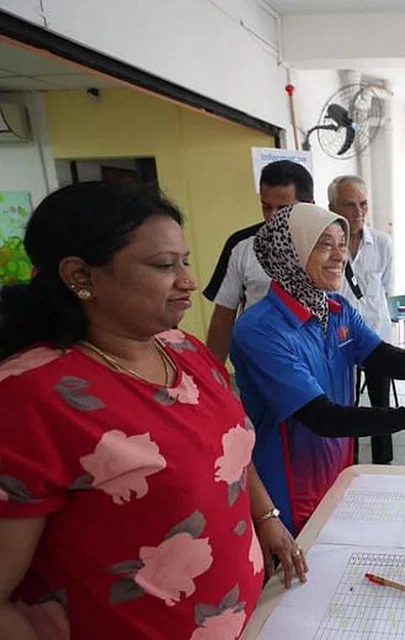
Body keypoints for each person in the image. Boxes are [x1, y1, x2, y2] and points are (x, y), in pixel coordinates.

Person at [0, 182, 305, 639]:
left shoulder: (183, 350)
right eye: (164, 266)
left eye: (185, 261)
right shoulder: (30, 396)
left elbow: (230, 446)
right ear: (81, 277)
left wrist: (266, 518)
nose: (188, 281)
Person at [231, 203, 405, 534]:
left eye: (342, 243)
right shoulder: (260, 331)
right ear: (289, 251)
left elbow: (382, 358)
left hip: (338, 468)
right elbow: (323, 418)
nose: (339, 256)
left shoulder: (336, 308)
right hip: (287, 490)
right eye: (324, 244)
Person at [204, 160, 315, 363]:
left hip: (316, 359)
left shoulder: (330, 244)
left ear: (310, 206)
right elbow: (223, 318)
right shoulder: (242, 246)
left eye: (283, 209)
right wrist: (213, 376)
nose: (272, 218)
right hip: (260, 361)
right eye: (266, 207)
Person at [328, 175, 396, 464]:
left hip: (376, 338)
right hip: (339, 341)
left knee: (382, 406)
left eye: (363, 204)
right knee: (346, 408)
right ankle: (348, 464)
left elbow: (388, 289)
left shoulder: (382, 243)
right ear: (332, 206)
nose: (358, 212)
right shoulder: (326, 247)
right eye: (350, 205)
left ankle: (384, 464)